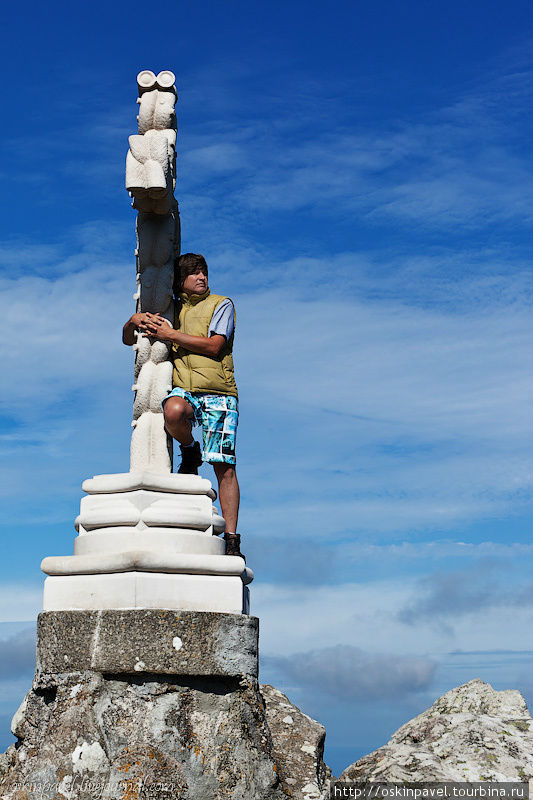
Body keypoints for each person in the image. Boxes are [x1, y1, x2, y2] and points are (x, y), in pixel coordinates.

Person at [122, 253, 243, 558]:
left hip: (219, 391)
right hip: (185, 390)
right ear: (181, 280)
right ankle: (190, 451)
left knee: (224, 466)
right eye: (194, 273)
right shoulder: (172, 309)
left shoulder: (221, 304)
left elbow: (215, 346)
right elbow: (128, 339)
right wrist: (134, 320)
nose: (202, 277)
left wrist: (171, 335)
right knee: (172, 411)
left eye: (204, 272)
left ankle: (232, 538)